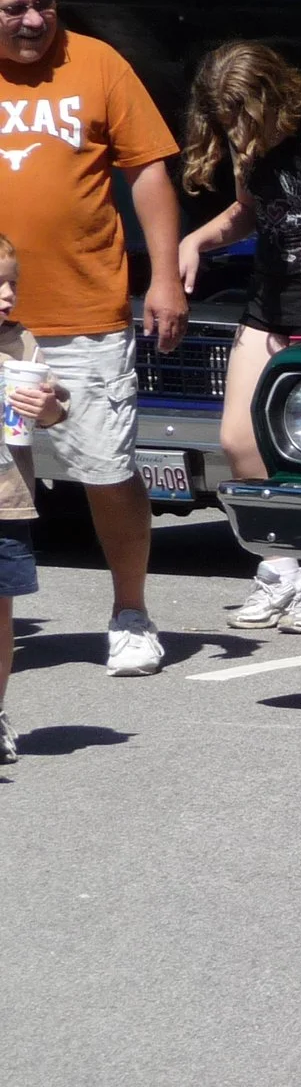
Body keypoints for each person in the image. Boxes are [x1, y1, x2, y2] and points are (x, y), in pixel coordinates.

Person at [0, 0, 187, 676]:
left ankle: (131, 609)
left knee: (106, 470)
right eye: (14, 7)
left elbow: (148, 173)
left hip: (84, 316)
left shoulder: (99, 64)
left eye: (44, 2)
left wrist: (166, 276)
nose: (34, 19)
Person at [176, 41, 301, 635]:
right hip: (268, 302)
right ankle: (279, 567)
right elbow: (247, 212)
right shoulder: (245, 139)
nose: (234, 130)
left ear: (267, 96)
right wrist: (196, 241)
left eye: (240, 115)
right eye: (224, 119)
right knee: (239, 440)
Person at [0, 233, 64, 764]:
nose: (6, 295)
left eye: (11, 284)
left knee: (1, 618)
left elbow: (55, 409)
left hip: (7, 501)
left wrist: (45, 408)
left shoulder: (23, 344)